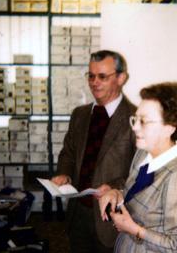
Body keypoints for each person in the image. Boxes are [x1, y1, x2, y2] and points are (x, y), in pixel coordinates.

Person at [99, 82, 177, 252]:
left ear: (170, 127)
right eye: (135, 119)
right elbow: (137, 193)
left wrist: (135, 230)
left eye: (144, 121)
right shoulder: (144, 153)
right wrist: (117, 194)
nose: (134, 126)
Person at [51, 50, 136, 253]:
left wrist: (115, 186)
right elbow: (68, 153)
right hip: (78, 213)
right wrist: (64, 173)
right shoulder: (79, 115)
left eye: (102, 77)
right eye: (91, 75)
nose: (94, 82)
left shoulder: (135, 119)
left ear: (121, 78)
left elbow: (141, 171)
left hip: (112, 218)